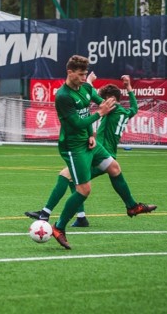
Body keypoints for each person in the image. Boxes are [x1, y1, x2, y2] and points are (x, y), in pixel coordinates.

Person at [26, 74, 156, 229]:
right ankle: (80, 217)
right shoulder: (124, 112)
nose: (102, 103)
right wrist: (128, 87)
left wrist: (88, 82)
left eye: (104, 99)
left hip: (96, 153)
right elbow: (134, 108)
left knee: (67, 176)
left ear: (111, 99)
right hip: (106, 152)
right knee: (75, 178)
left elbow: (88, 96)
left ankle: (47, 215)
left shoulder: (112, 110)